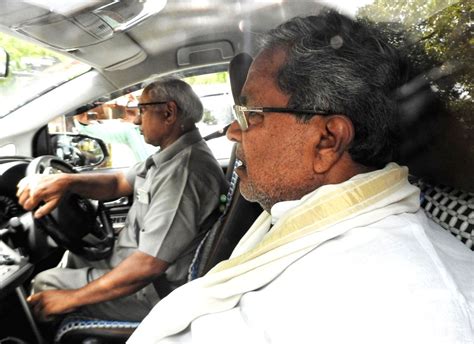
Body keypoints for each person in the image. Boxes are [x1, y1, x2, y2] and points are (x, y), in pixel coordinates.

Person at [128, 10, 474, 344]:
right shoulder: (310, 218)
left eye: (250, 115)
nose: (233, 132)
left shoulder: (418, 311)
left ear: (327, 140)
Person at [16, 77, 228, 322]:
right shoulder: (169, 157)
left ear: (169, 113)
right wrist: (67, 182)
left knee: (46, 283)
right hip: (132, 264)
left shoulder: (184, 174)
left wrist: (69, 298)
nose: (137, 120)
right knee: (72, 256)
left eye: (142, 110)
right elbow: (118, 183)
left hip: (153, 292)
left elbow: (148, 265)